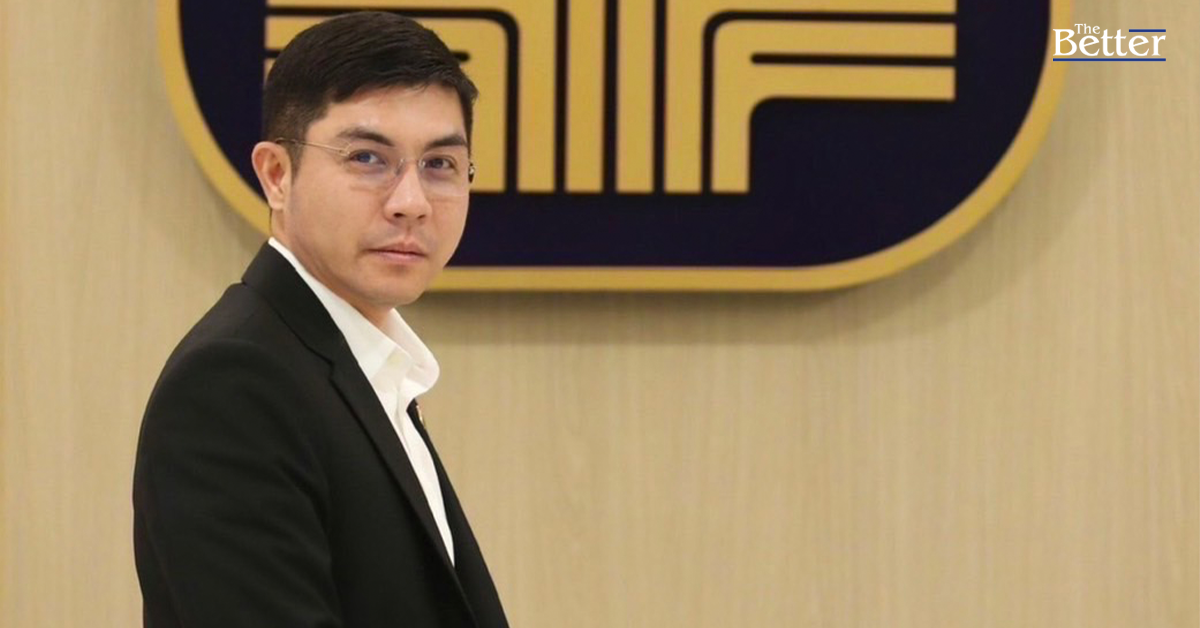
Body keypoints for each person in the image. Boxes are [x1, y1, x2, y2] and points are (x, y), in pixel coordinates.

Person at [132, 12, 508, 628]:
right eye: (367, 158)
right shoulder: (235, 385)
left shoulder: (365, 370)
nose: (411, 203)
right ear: (277, 175)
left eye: (440, 164)